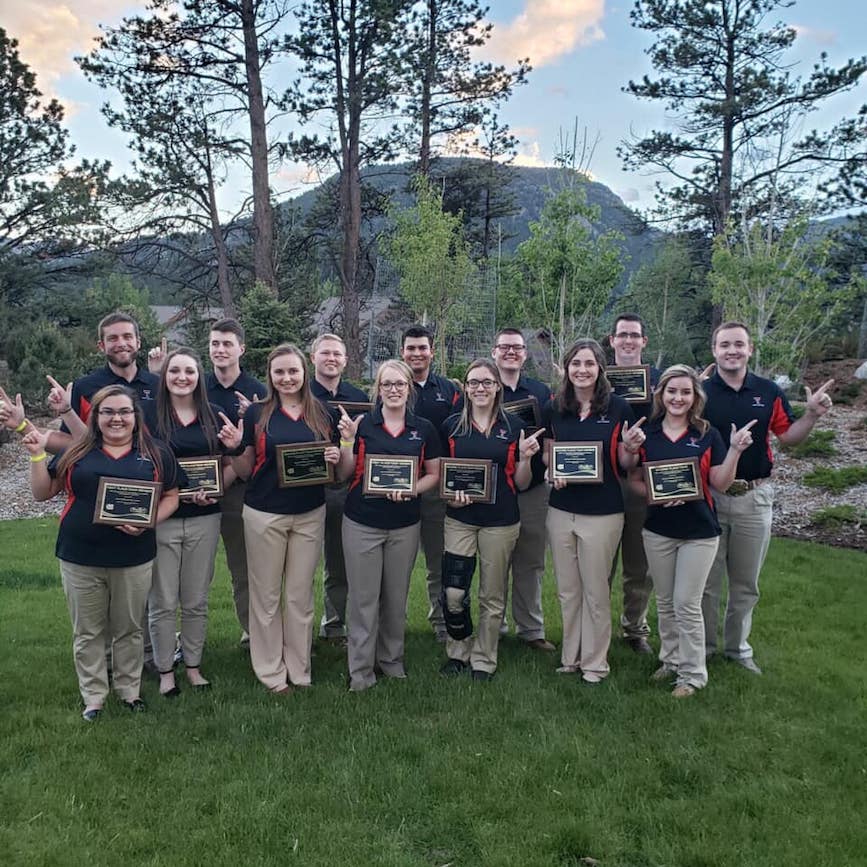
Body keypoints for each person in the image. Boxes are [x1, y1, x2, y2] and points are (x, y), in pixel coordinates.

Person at [23, 385, 181, 721]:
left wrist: (149, 521)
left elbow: (172, 496)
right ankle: (93, 696)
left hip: (134, 555)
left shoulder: (156, 453)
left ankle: (129, 691)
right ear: (95, 417)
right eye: (107, 412)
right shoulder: (77, 451)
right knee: (89, 630)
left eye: (124, 411)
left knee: (129, 628)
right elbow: (42, 492)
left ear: (136, 417)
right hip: (80, 555)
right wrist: (37, 454)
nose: (116, 418)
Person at [701, 322, 834, 674]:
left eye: (739, 344)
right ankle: (704, 647)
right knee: (706, 582)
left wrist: (811, 416)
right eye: (725, 344)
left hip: (754, 496)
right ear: (714, 350)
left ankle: (737, 649)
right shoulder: (701, 393)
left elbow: (788, 437)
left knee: (745, 582)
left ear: (750, 349)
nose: (732, 350)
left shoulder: (768, 391)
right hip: (709, 495)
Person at [218, 344, 351, 693]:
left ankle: (300, 668)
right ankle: (270, 671)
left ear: (304, 372)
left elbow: (337, 472)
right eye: (280, 372)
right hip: (265, 513)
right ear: (270, 376)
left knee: (299, 596)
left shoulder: (322, 412)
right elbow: (246, 469)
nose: (287, 378)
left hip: (309, 513)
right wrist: (234, 448)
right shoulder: (257, 414)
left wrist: (337, 455)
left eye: (293, 371)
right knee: (265, 596)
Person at [629, 365, 754, 697]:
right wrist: (656, 495)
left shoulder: (707, 434)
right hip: (658, 529)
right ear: (661, 395)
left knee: (687, 603)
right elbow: (635, 481)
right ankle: (670, 660)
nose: (678, 398)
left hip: (699, 531)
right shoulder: (649, 435)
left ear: (695, 396)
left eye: (686, 392)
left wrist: (737, 451)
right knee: (666, 602)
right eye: (672, 391)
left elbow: (720, 483)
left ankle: (693, 673)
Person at [542, 339, 646, 684]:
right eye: (575, 364)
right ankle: (570, 657)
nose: (582, 370)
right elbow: (549, 452)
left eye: (588, 363)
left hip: (603, 512)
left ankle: (595, 663)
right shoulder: (555, 407)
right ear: (566, 368)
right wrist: (551, 470)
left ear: (600, 368)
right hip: (561, 511)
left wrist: (631, 448)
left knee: (596, 590)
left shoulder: (617, 408)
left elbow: (625, 462)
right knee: (568, 590)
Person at [338, 359, 442, 692]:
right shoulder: (363, 425)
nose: (393, 390)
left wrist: (412, 488)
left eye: (400, 384)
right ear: (378, 389)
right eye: (387, 384)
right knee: (363, 599)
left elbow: (434, 474)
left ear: (409, 388)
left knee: (396, 598)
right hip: (362, 522)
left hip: (404, 525)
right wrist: (346, 442)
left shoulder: (423, 428)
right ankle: (360, 670)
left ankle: (391, 660)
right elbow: (343, 474)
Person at [439, 360, 542, 680]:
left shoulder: (513, 427)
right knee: (454, 591)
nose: (479, 388)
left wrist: (526, 458)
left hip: (501, 520)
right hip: (459, 518)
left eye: (486, 382)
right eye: (473, 383)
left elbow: (522, 482)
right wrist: (449, 496)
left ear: (498, 386)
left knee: (492, 594)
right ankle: (459, 649)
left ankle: (484, 657)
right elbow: (442, 474)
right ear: (465, 388)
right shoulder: (452, 426)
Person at [150, 349, 230, 697]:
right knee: (163, 600)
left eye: (190, 372)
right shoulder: (149, 416)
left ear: (200, 377)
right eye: (175, 371)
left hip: (204, 518)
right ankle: (165, 668)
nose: (182, 377)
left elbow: (228, 466)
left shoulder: (213, 416)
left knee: (195, 598)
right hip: (163, 519)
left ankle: (194, 665)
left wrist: (214, 493)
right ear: (164, 375)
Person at [491, 327, 556, 652]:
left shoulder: (541, 392)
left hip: (533, 490)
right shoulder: (484, 389)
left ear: (525, 353)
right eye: (504, 347)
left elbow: (552, 439)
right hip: (497, 489)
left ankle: (531, 630)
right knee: (496, 562)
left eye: (516, 347)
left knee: (531, 562)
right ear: (494, 352)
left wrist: (551, 468)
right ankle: (496, 626)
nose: (510, 352)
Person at [205, 320, 265, 648]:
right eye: (215, 344)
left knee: (244, 568)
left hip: (240, 491)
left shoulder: (259, 391)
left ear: (241, 348)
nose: (220, 350)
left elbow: (266, 447)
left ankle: (252, 633)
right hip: (192, 491)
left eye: (227, 344)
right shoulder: (196, 387)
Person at [400, 325, 462, 642]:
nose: (417, 353)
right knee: (396, 564)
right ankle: (391, 624)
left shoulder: (449, 390)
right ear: (402, 352)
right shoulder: (391, 386)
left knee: (438, 560)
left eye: (422, 348)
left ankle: (441, 623)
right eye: (411, 348)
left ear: (431, 351)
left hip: (437, 489)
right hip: (395, 489)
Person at [309, 333, 369, 643]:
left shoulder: (357, 397)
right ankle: (297, 628)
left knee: (338, 561)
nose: (331, 358)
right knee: (301, 565)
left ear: (345, 360)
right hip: (303, 488)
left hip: (345, 487)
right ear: (313, 358)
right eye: (325, 353)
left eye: (337, 354)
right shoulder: (300, 393)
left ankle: (333, 625)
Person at [607, 313, 661, 655]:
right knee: (599, 565)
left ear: (644, 342)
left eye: (634, 335)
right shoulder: (597, 380)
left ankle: (634, 628)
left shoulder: (660, 382)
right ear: (611, 340)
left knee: (639, 566)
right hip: (604, 482)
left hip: (644, 483)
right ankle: (593, 627)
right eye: (622, 335)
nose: (628, 341)